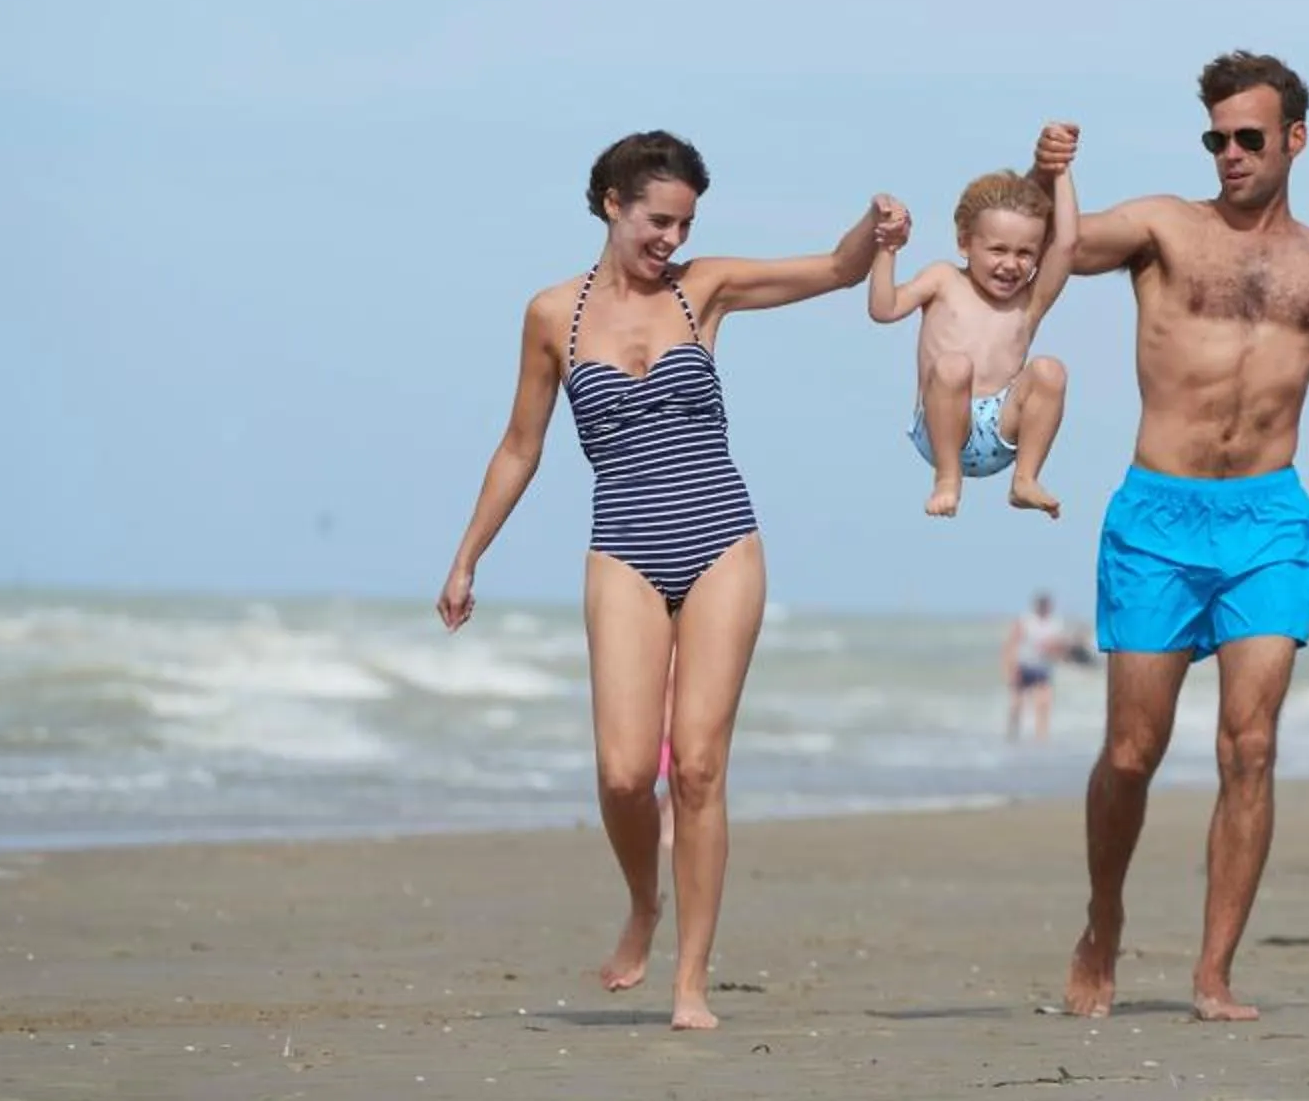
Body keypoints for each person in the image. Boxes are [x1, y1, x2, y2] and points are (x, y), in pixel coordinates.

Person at [439, 130, 902, 1031]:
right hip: (623, 545)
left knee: (697, 766)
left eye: (685, 223)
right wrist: (467, 557)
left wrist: (875, 227)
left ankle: (691, 982)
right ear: (612, 204)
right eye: (658, 220)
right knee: (621, 774)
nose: (671, 240)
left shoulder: (705, 290)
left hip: (722, 537)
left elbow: (838, 272)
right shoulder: (552, 316)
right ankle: (643, 904)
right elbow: (520, 446)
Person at [1047, 52, 1309, 1022]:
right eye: (1216, 138)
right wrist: (1051, 175)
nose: (1229, 154)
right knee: (1132, 753)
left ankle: (1214, 970)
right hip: (1157, 517)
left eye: (1248, 138)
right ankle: (1103, 921)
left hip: (1267, 520)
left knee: (1250, 746)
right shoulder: (1163, 229)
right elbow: (1054, 249)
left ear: (1294, 140)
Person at [870, 143, 1080, 518]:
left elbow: (1066, 244)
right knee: (954, 366)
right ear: (965, 242)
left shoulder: (1029, 303)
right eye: (998, 250)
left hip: (1001, 428)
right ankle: (947, 479)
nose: (1010, 265)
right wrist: (887, 251)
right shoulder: (943, 279)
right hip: (941, 427)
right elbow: (883, 310)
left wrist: (1061, 171)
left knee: (1051, 370)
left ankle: (1025, 479)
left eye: (1025, 253)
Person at [1003, 590, 1070, 742]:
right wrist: (1010, 668)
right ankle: (1012, 735)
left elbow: (1060, 647)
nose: (1045, 608)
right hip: (1024, 665)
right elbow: (1011, 644)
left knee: (1043, 704)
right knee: (1017, 705)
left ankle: (1042, 738)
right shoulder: (1026, 621)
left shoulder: (1055, 623)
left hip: (1043, 667)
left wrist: (1057, 650)